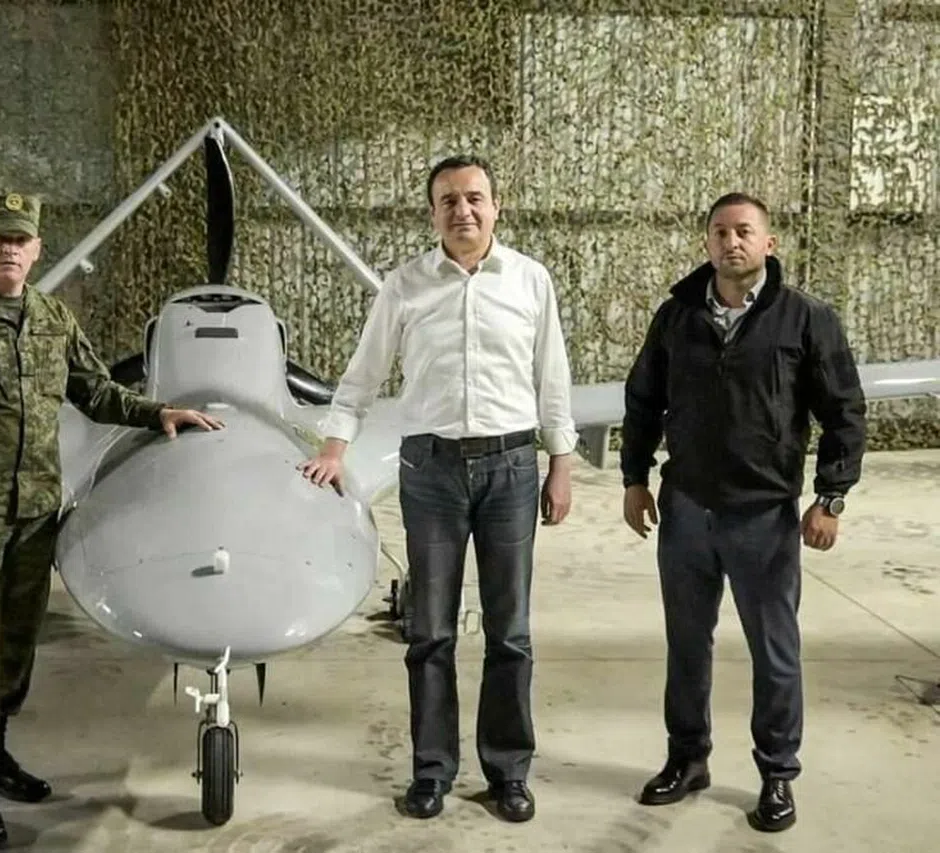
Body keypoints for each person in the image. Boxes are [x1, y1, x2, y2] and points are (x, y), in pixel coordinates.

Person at [0, 191, 224, 848]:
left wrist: (157, 412)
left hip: (36, 513)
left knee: (16, 644)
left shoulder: (52, 318)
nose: (9, 249)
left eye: (20, 240)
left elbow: (94, 391)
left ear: (37, 248)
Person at [299, 156, 577, 822]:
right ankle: (431, 772)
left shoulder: (531, 280)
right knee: (430, 632)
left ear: (496, 205)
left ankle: (508, 772)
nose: (463, 210)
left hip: (511, 467)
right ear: (433, 213)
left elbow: (553, 377)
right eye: (448, 200)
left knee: (511, 632)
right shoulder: (405, 286)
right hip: (431, 472)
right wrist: (334, 446)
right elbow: (362, 375)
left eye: (474, 197)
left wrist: (561, 461)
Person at [619, 192, 866, 833]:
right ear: (707, 242)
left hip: (763, 516)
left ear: (768, 243)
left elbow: (844, 411)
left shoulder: (806, 319)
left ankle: (777, 775)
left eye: (744, 232)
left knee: (775, 652)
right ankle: (687, 759)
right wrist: (634, 478)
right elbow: (642, 400)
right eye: (720, 232)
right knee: (686, 645)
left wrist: (830, 497)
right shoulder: (676, 317)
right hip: (686, 511)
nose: (732, 242)